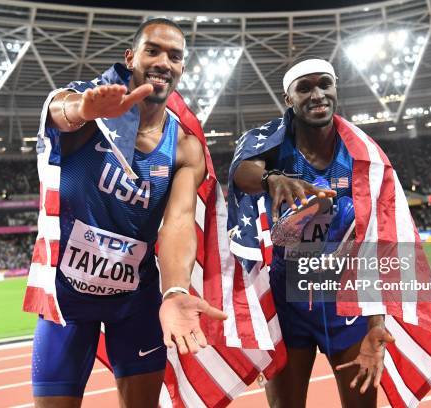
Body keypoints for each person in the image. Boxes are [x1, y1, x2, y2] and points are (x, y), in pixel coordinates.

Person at [24, 18, 226, 408]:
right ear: (131, 57)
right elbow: (58, 108)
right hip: (66, 297)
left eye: (175, 56)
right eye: (153, 50)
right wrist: (81, 109)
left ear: (182, 68)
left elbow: (180, 222)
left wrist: (176, 290)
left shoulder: (184, 148)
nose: (164, 61)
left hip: (136, 301)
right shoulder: (91, 112)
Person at [229, 57, 395, 407]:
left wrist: (376, 321)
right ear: (288, 99)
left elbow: (377, 238)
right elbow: (242, 171)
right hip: (287, 301)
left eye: (324, 84)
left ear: (335, 89)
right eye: (304, 88)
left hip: (345, 301)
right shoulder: (274, 145)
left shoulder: (360, 153)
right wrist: (271, 179)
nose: (317, 94)